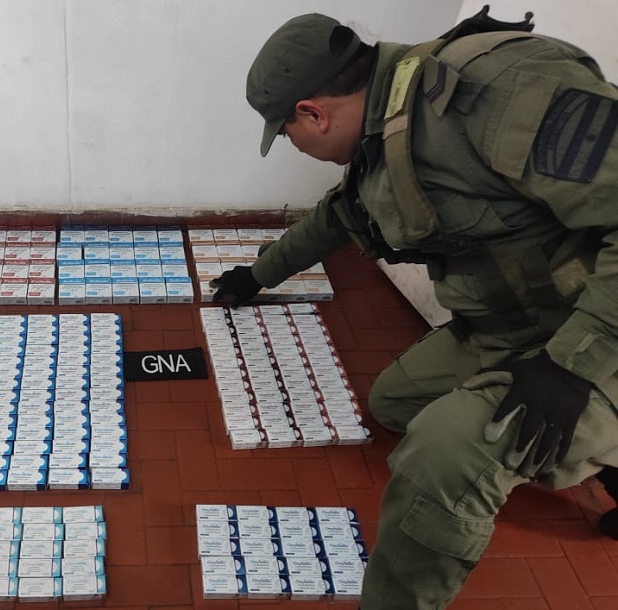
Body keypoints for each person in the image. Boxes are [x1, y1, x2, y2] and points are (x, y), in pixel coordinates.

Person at [210, 7, 618, 609]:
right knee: (394, 402)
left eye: (288, 135)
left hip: (594, 337)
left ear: (313, 113)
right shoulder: (390, 117)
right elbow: (342, 215)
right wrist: (258, 274)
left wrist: (572, 367)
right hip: (515, 327)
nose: (295, 146)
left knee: (441, 452)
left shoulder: (500, 90)